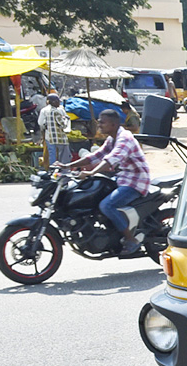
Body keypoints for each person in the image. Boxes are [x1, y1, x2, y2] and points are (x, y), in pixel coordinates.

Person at [59, 108, 151, 256]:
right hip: (123, 177)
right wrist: (69, 165)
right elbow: (96, 155)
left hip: (136, 181)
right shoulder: (111, 139)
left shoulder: (124, 138)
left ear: (113, 125)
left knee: (107, 205)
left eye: (102, 122)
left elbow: (111, 159)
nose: (99, 125)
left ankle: (131, 239)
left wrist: (91, 172)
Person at [38, 91, 72, 166]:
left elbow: (40, 123)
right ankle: (62, 170)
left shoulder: (44, 110)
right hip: (60, 137)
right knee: (63, 156)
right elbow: (64, 124)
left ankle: (52, 170)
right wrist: (66, 120)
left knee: (52, 154)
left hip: (48, 136)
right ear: (52, 102)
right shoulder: (59, 110)